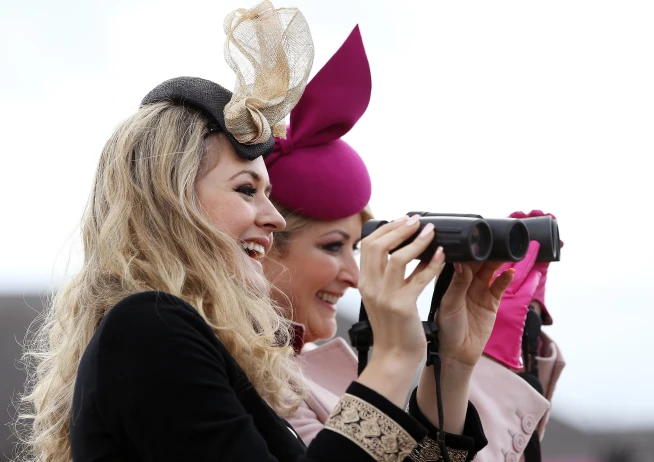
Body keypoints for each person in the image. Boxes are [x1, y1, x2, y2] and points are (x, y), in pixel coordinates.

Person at [14, 3, 515, 462]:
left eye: (269, 193)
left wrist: (450, 365)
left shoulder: (196, 347)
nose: (273, 217)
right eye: (246, 190)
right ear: (172, 202)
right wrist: (392, 356)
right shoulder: (148, 327)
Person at [262, 25, 565, 462]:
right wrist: (493, 363)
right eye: (331, 246)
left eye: (357, 248)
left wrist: (455, 368)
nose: (354, 276)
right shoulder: (250, 384)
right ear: (262, 244)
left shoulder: (323, 374)